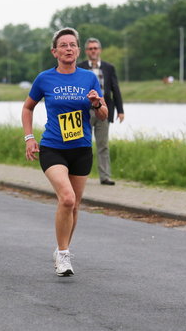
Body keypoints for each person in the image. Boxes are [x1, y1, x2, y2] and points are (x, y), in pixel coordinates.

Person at [22, 28, 108, 277]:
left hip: (81, 147)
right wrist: (29, 138)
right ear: (55, 52)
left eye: (73, 45)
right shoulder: (44, 79)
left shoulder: (89, 78)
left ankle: (63, 249)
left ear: (78, 50)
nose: (68, 49)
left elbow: (103, 114)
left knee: (75, 205)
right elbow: (28, 108)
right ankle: (63, 255)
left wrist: (97, 103)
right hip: (52, 148)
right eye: (63, 45)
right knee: (67, 198)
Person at [78, 38, 124, 185]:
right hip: (84, 111)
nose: (93, 51)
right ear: (86, 51)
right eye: (90, 48)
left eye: (95, 48)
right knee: (82, 144)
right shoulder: (80, 67)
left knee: (103, 145)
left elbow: (115, 89)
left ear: (100, 50)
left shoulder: (108, 68)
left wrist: (120, 110)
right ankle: (79, 174)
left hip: (104, 111)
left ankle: (105, 176)